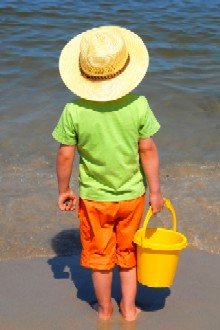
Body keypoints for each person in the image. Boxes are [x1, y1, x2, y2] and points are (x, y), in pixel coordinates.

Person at [52, 26, 164, 321]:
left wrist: (64, 189)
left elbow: (65, 154)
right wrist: (155, 192)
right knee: (128, 255)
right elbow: (148, 150)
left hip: (94, 199)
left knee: (101, 260)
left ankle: (104, 309)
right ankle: (129, 308)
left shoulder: (73, 110)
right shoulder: (139, 105)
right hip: (132, 197)